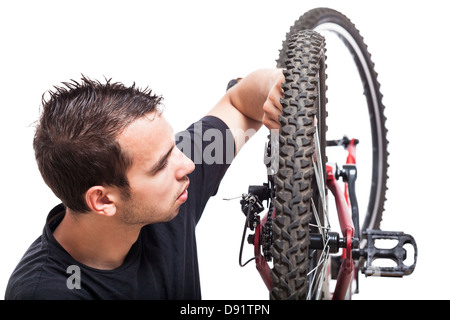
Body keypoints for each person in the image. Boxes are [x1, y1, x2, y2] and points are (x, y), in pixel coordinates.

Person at [5, 68, 284, 299]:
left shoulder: (169, 184)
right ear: (103, 200)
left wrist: (278, 86)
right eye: (162, 164)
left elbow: (239, 103)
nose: (187, 165)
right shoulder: (45, 292)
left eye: (174, 147)